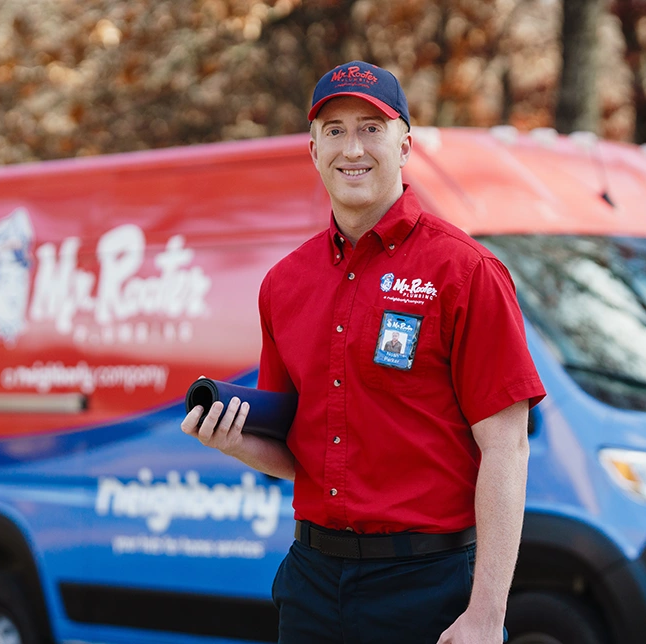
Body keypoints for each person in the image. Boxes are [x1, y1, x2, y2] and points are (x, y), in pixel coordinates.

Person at [181, 60, 546, 644]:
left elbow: (507, 447)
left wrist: (486, 615)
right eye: (335, 130)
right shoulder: (283, 284)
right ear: (313, 150)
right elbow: (296, 448)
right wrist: (235, 442)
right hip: (312, 583)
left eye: (371, 128)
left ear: (405, 143)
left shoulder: (465, 272)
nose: (353, 147)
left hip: (428, 585)